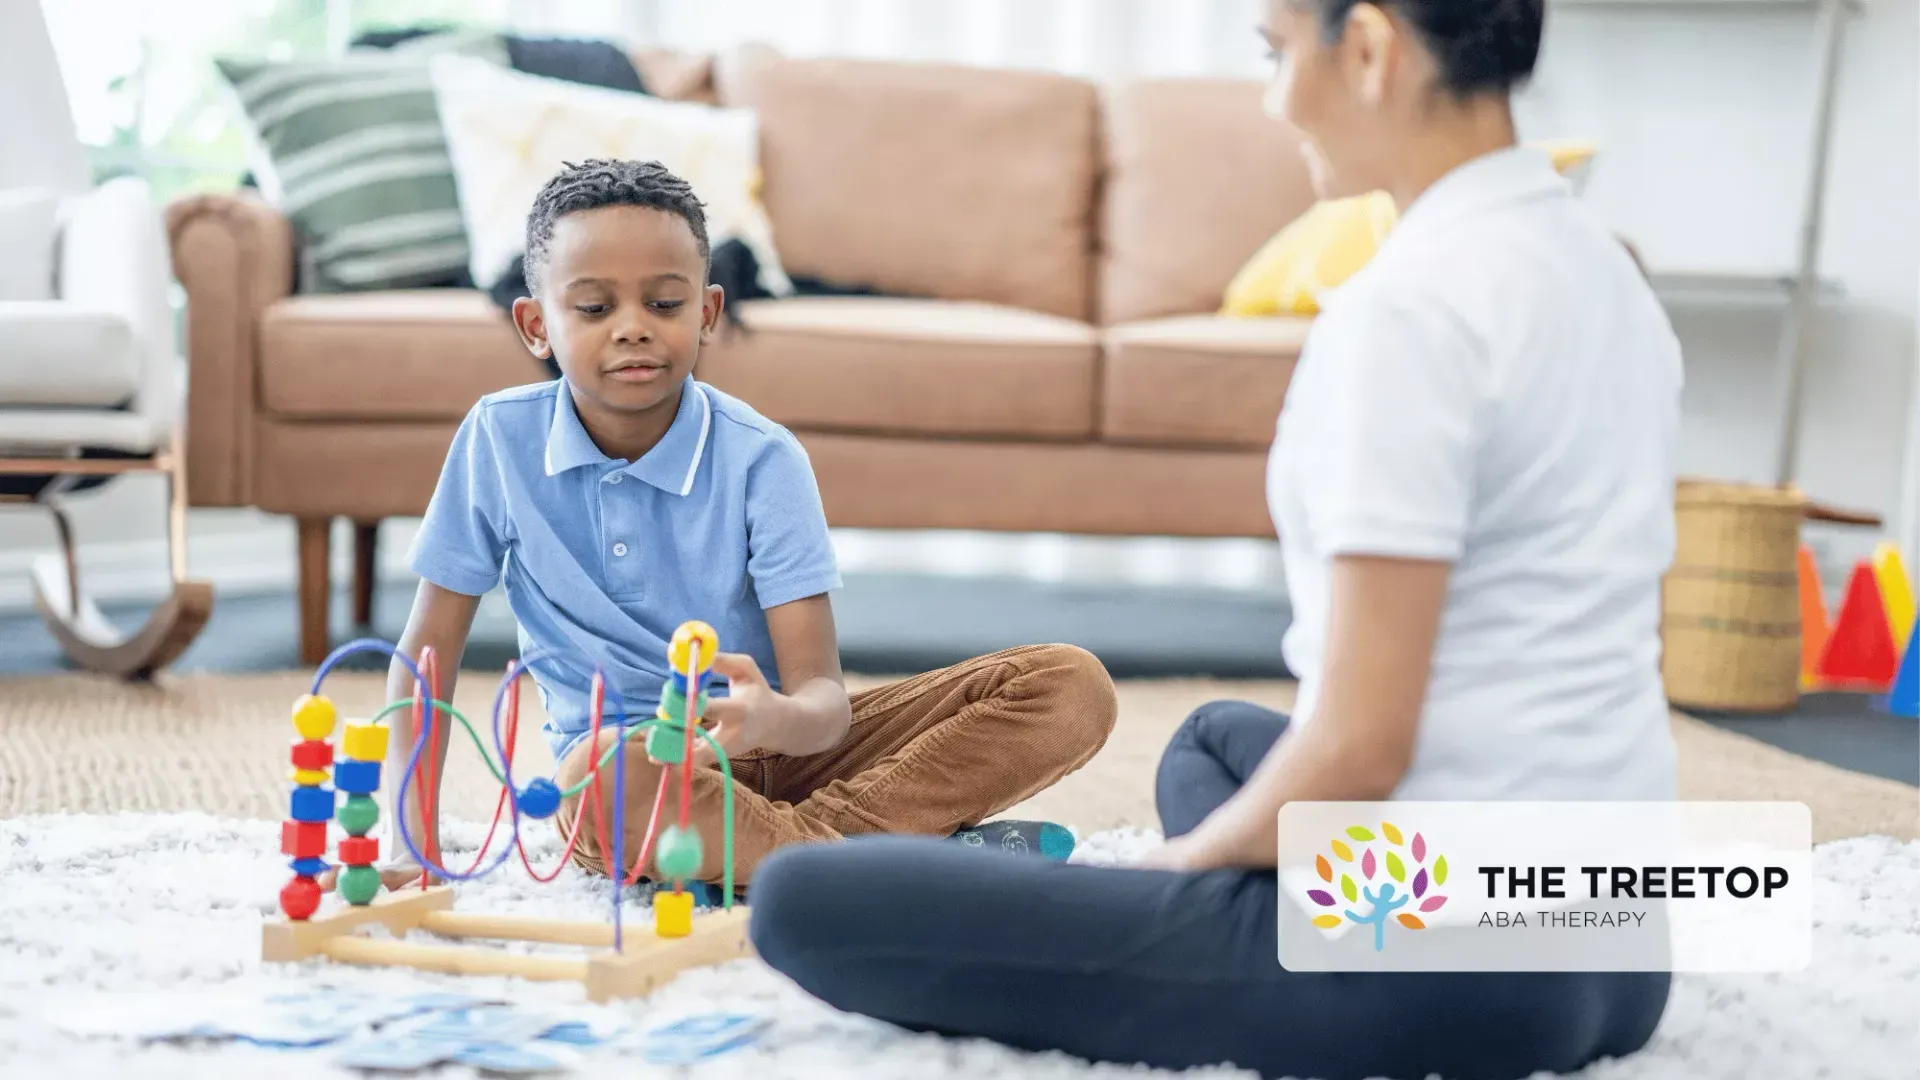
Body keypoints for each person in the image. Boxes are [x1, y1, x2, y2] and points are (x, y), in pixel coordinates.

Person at [747, 1, 1680, 1077]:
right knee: (1210, 740)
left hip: (1448, 961)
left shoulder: (1410, 312)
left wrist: (1178, 873)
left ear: (1370, 48)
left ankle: (1238, 924)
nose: (1275, 98)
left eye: (1279, 54)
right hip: (1617, 934)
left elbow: (1365, 746)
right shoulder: (1608, 276)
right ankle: (1254, 906)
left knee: (806, 899)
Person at [352, 159, 1116, 896]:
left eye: (664, 303)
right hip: (633, 778)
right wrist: (407, 844)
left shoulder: (763, 458)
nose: (632, 329)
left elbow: (825, 704)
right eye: (593, 308)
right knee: (599, 776)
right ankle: (900, 857)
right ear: (535, 325)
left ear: (708, 313)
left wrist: (774, 717)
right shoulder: (497, 439)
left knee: (1068, 687)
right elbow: (426, 658)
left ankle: (829, 858)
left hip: (778, 751)